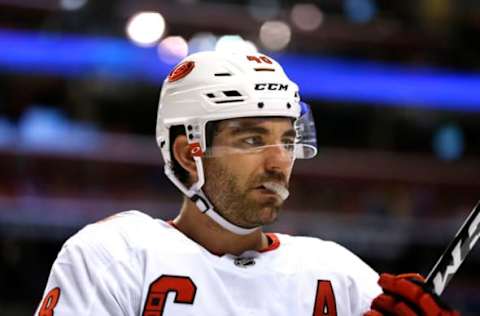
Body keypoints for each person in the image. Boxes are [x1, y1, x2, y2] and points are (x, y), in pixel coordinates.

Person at [36, 51, 459, 316]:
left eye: (288, 140)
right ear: (188, 152)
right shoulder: (115, 257)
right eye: (253, 139)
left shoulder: (337, 275)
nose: (279, 162)